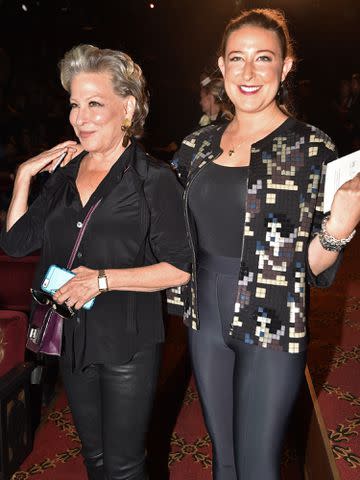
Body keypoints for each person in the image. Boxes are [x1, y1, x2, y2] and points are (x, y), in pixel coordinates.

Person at [172, 9, 360, 480]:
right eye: (237, 58)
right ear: (221, 66)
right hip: (205, 318)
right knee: (224, 461)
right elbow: (167, 229)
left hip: (273, 318)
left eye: (263, 58)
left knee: (257, 466)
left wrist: (340, 226)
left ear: (286, 66)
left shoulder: (310, 148)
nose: (249, 72)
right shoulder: (196, 147)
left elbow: (313, 267)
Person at [0, 44, 191, 480]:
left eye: (94, 104)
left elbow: (180, 267)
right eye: (74, 104)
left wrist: (102, 281)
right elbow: (15, 243)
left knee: (124, 467)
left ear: (126, 107)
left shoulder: (152, 179)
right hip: (74, 336)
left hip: (127, 339)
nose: (79, 116)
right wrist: (26, 176)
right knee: (95, 458)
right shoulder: (64, 174)